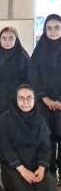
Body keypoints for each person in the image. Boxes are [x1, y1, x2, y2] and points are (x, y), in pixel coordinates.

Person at [0, 85, 59, 191]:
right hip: (14, 165)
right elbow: (5, 147)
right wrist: (23, 170)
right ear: (16, 100)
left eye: (29, 98)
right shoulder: (5, 118)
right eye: (21, 98)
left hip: (35, 163)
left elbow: (45, 146)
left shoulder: (40, 120)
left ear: (35, 100)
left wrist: (41, 168)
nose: (25, 102)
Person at [28, 14, 61, 177]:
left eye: (57, 27)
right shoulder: (40, 50)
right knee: (46, 137)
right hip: (43, 102)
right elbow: (32, 75)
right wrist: (44, 98)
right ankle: (48, 171)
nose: (53, 31)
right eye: (49, 28)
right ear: (44, 30)